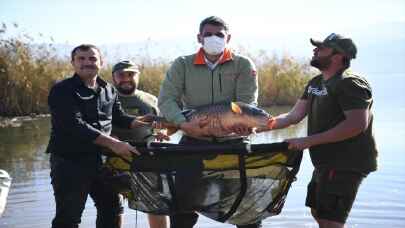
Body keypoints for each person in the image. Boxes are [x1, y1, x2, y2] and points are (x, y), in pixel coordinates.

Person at [158, 16, 260, 228]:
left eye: (219, 35)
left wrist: (243, 124)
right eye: (208, 34)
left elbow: (246, 103)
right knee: (182, 209)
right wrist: (183, 124)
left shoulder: (243, 64)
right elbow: (167, 100)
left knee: (246, 210)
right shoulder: (182, 64)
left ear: (228, 38)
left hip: (234, 141)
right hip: (193, 139)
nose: (214, 38)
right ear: (199, 37)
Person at [267, 33, 378, 228]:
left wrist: (308, 141)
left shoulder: (350, 83)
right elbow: (293, 117)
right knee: (318, 213)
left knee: (331, 222)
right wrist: (256, 126)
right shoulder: (315, 83)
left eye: (322, 48)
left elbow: (357, 124)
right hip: (324, 162)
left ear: (338, 56)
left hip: (346, 163)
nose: (315, 50)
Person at [46, 44, 150, 228]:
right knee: (69, 218)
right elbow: (74, 125)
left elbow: (119, 117)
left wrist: (144, 122)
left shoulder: (109, 89)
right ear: (73, 63)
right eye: (82, 59)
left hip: (103, 162)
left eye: (93, 58)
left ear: (101, 63)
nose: (87, 62)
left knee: (112, 209)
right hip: (69, 162)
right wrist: (114, 144)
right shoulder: (62, 90)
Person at [110, 60, 168, 228]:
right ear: (114, 78)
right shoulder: (106, 97)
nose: (126, 79)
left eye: (131, 74)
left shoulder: (151, 99)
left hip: (148, 159)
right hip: (113, 158)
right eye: (121, 75)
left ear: (138, 76)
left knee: (156, 205)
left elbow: (163, 127)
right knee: (113, 206)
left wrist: (161, 133)